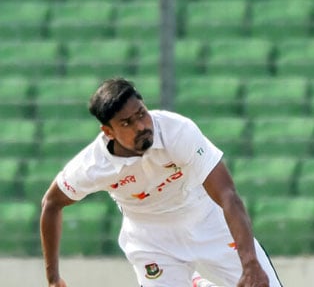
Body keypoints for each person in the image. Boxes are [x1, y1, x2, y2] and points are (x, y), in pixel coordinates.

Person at [40, 77, 283, 287]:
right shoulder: (93, 165)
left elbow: (227, 194)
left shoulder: (176, 131)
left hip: (206, 221)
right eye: (127, 123)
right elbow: (51, 203)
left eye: (141, 114)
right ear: (108, 131)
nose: (142, 126)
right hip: (151, 240)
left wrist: (249, 262)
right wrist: (53, 279)